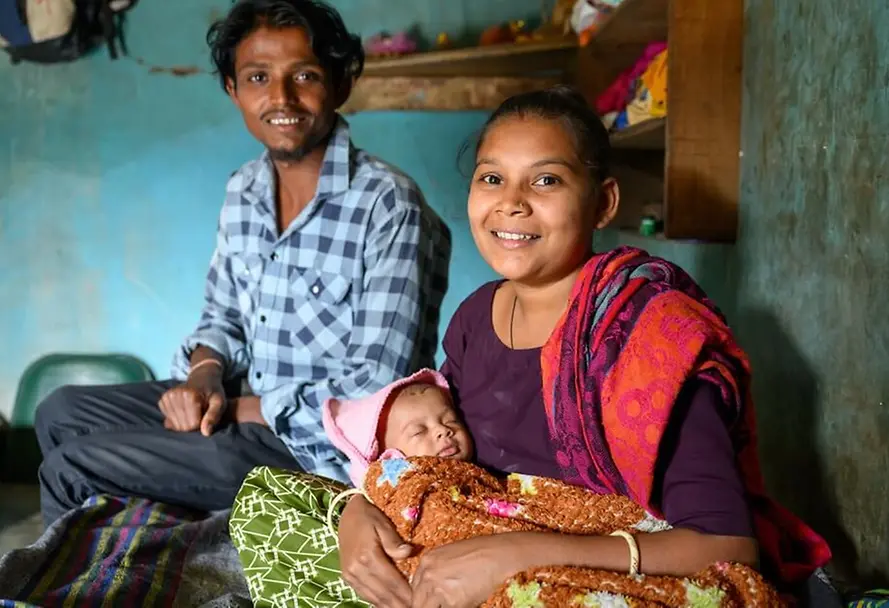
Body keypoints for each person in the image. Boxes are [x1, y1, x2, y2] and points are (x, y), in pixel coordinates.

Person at [229, 86, 836, 608]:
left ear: (603, 202)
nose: (512, 202)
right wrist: (363, 517)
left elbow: (726, 545)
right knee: (269, 502)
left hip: (602, 568)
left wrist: (511, 555)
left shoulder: (647, 333)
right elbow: (436, 459)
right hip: (476, 539)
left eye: (546, 179)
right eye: (492, 177)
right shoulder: (473, 320)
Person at [32, 0, 450, 527]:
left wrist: (242, 410)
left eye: (305, 75)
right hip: (237, 404)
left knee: (72, 467)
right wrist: (205, 377)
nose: (281, 97)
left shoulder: (388, 205)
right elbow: (222, 315)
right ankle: (138, 545)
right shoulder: (244, 189)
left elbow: (375, 389)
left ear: (341, 84)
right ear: (233, 90)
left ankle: (89, 583)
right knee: (61, 413)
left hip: (316, 450)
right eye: (258, 77)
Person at [231, 369, 788, 606]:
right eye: (420, 432)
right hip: (416, 567)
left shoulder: (655, 355)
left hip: (517, 562)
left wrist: (510, 544)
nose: (444, 434)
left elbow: (519, 511)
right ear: (389, 456)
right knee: (261, 497)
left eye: (448, 420)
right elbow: (422, 512)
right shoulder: (405, 478)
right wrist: (361, 503)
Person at [321, 368, 475, 487]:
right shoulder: (399, 493)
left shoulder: (478, 473)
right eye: (419, 432)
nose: (443, 430)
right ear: (388, 458)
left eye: (451, 421)